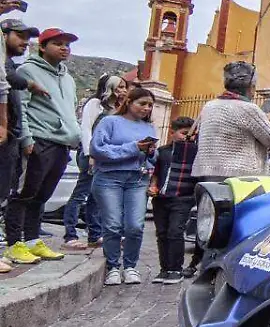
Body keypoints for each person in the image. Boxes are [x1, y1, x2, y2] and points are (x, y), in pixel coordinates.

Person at [188, 62, 270, 276]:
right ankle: (231, 273)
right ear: (250, 84)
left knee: (211, 227)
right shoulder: (248, 109)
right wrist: (267, 119)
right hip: (240, 177)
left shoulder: (210, 106)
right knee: (237, 229)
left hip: (209, 173)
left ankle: (206, 269)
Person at [4, 28, 80, 267]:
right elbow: (20, 107)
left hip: (61, 144)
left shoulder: (68, 79)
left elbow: (70, 110)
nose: (64, 48)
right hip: (39, 140)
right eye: (57, 43)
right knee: (24, 193)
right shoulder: (27, 71)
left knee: (42, 196)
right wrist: (26, 139)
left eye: (67, 44)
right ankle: (14, 245)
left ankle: (32, 240)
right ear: (43, 47)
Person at [91, 86, 157, 285]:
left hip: (137, 179)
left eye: (150, 105)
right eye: (142, 103)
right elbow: (97, 149)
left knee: (135, 226)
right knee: (112, 225)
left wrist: (151, 152)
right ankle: (112, 266)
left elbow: (153, 159)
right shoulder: (110, 122)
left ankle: (130, 266)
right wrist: (133, 147)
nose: (146, 108)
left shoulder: (149, 127)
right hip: (108, 178)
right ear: (129, 102)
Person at [62, 74, 126, 250]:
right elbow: (86, 129)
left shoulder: (117, 108)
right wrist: (91, 153)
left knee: (96, 196)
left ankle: (95, 235)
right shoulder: (95, 104)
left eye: (124, 87)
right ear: (110, 87)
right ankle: (70, 234)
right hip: (90, 154)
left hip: (105, 156)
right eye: (120, 87)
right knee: (80, 193)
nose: (123, 90)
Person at [0, 19, 39, 273]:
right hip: (4, 134)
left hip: (9, 138)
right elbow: (8, 83)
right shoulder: (8, 69)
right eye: (19, 35)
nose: (25, 42)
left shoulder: (9, 67)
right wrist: (29, 83)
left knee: (3, 193)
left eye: (27, 37)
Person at [149, 117, 198, 285]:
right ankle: (164, 269)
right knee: (162, 233)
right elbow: (156, 173)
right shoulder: (162, 152)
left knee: (175, 232)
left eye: (190, 134)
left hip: (183, 198)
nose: (187, 137)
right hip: (161, 198)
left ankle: (176, 269)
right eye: (183, 133)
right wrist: (153, 186)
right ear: (172, 132)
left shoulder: (195, 152)